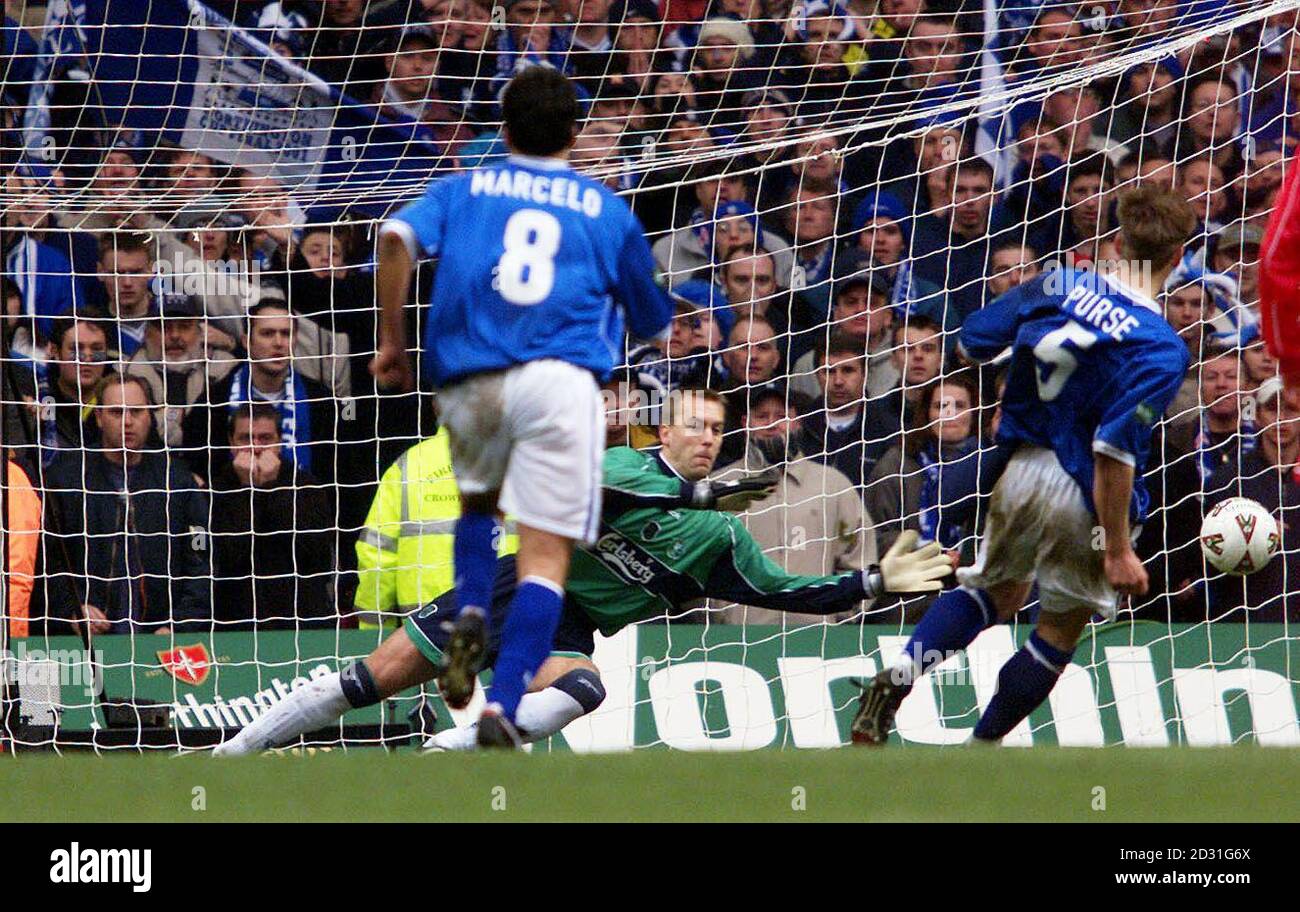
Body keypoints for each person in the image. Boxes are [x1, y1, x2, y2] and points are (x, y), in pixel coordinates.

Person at [212, 390, 950, 756]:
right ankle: (229, 753)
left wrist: (873, 584)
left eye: (718, 430)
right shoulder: (623, 463)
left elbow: (784, 591)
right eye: (695, 425)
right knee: (366, 683)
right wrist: (694, 491)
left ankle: (451, 753)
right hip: (517, 581)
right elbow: (584, 500)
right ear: (664, 430)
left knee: (584, 688)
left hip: (571, 619)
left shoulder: (718, 536)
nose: (707, 438)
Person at [368, 68, 672, 748]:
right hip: (561, 385)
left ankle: (471, 610)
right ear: (574, 133)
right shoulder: (604, 209)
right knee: (543, 561)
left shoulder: (463, 187)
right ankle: (502, 707)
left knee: (478, 507)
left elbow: (393, 241)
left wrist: (392, 342)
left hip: (473, 376)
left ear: (502, 128)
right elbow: (654, 319)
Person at [851, 184, 1197, 745]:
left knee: (995, 589)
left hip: (1014, 468)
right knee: (1059, 625)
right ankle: (979, 750)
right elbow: (1113, 448)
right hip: (1081, 487)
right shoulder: (1161, 348)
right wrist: (1117, 548)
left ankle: (900, 675)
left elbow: (971, 343)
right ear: (1177, 257)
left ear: (1115, 241)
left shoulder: (1058, 281)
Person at [42, 374, 211, 636]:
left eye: (136, 411)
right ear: (98, 418)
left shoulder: (177, 481)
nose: (128, 422)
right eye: (116, 412)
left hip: (162, 637)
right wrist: (71, 611)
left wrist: (181, 622)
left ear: (150, 416)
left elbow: (200, 556)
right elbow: (47, 559)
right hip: (87, 639)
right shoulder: (66, 481)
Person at [715, 385, 878, 626]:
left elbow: (859, 558)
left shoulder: (832, 485)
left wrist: (840, 619)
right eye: (761, 416)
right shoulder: (718, 487)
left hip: (819, 640)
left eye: (781, 416)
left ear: (797, 422)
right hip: (735, 641)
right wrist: (721, 618)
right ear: (744, 422)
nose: (772, 423)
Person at [354, 427, 519, 630]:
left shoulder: (408, 465)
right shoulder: (522, 462)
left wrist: (374, 633)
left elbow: (376, 558)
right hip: (502, 623)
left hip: (422, 633)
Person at [208, 405, 336, 630]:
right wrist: (247, 490)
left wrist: (271, 488)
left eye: (265, 438)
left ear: (279, 442)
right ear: (231, 442)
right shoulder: (215, 490)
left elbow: (317, 556)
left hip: (301, 619)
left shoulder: (307, 485)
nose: (255, 447)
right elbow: (227, 557)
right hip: (236, 622)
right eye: (245, 438)